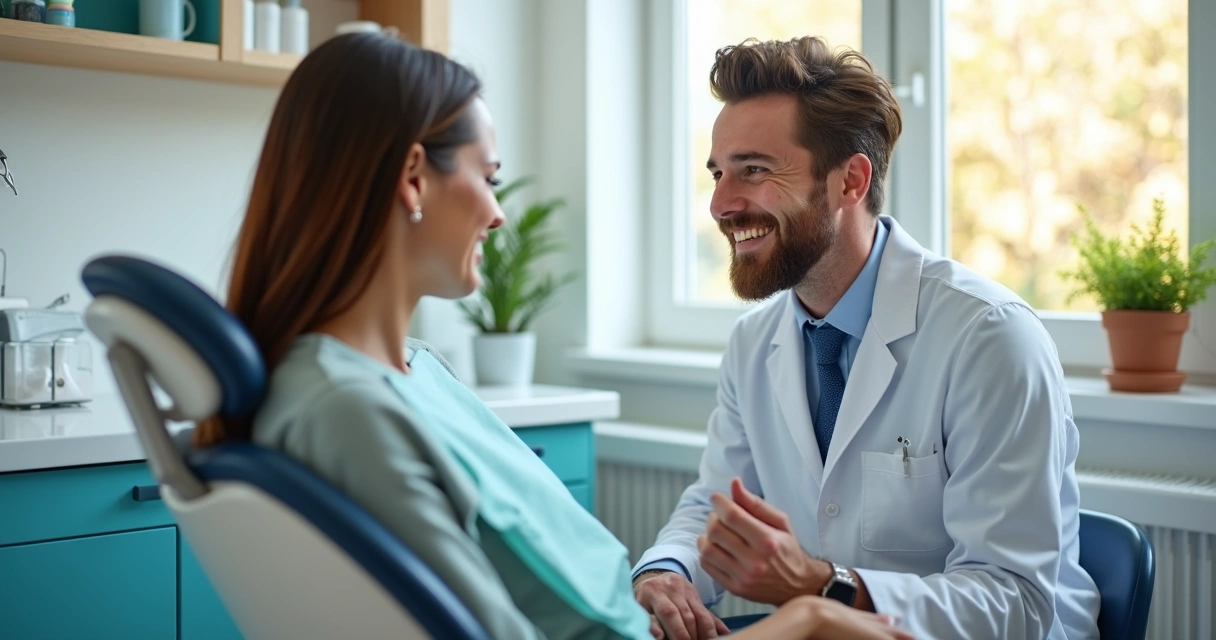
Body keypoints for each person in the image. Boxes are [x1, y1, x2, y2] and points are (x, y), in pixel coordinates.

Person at [191, 33, 914, 640]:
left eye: (752, 171)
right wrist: (806, 621)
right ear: (414, 179)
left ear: (850, 182)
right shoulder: (348, 407)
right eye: (489, 177)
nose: (498, 214)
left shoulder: (404, 374)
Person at [631, 36, 1102, 640]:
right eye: (719, 174)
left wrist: (825, 587)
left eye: (754, 170)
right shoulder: (755, 344)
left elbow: (1015, 602)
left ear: (850, 180)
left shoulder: (989, 337)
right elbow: (718, 506)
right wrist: (668, 571)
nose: (722, 204)